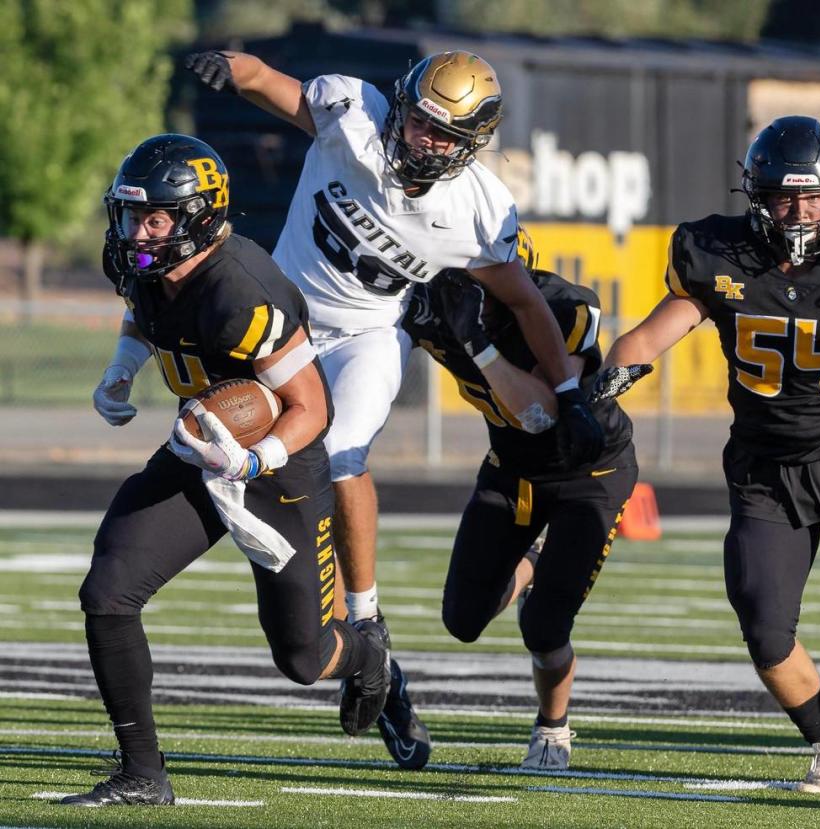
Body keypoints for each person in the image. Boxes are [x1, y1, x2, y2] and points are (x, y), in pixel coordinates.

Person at [184, 48, 604, 769]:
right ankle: (368, 663)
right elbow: (275, 88)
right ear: (399, 107)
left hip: (365, 338)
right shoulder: (355, 117)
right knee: (222, 464)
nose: (421, 141)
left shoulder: (476, 208)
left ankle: (367, 620)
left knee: (342, 456)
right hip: (276, 326)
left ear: (472, 144)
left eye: (444, 135)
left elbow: (525, 300)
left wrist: (568, 392)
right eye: (416, 123)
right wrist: (234, 65)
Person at [595, 115, 820, 793]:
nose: (800, 211)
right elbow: (648, 335)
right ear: (757, 196)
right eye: (786, 197)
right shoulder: (717, 253)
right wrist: (614, 375)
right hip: (766, 474)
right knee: (764, 626)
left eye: (813, 197)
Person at [68, 134, 391, 806]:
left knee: (302, 656)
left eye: (154, 217)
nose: (135, 232)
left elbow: (311, 406)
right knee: (108, 589)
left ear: (198, 218)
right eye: (130, 215)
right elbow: (145, 306)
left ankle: (366, 654)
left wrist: (253, 458)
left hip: (279, 465)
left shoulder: (239, 291)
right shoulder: (145, 262)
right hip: (200, 446)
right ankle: (142, 772)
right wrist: (122, 367)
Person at [401, 229, 641, 769]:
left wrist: (478, 344)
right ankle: (533, 561)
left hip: (590, 472)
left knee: (545, 626)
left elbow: (542, 414)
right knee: (462, 621)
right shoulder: (434, 302)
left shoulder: (563, 308)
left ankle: (552, 730)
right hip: (510, 472)